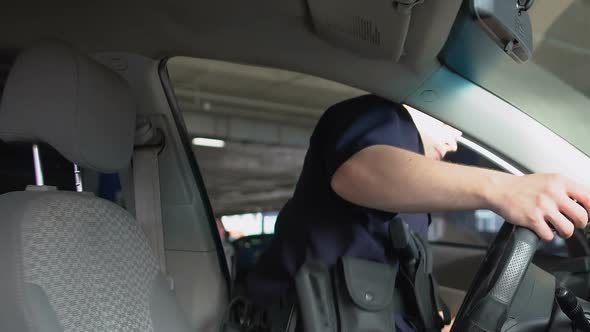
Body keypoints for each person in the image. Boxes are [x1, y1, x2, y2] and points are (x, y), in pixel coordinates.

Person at [245, 94, 590, 330]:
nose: (454, 142)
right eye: (450, 125)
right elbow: (362, 170)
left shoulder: (410, 202)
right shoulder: (381, 116)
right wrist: (505, 189)